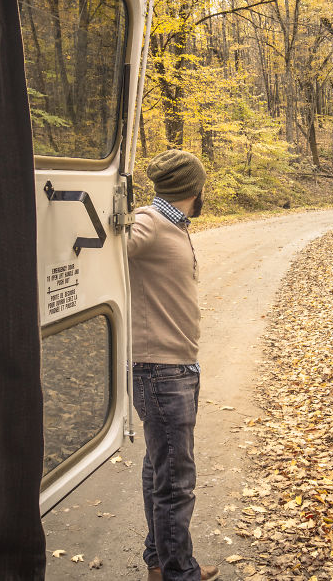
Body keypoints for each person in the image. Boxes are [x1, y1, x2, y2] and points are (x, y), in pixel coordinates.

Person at [128, 149, 219, 581]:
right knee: (176, 481)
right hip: (159, 370)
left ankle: (161, 563)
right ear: (192, 188)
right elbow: (106, 248)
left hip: (177, 367)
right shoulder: (148, 220)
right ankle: (180, 573)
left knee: (160, 470)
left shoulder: (174, 224)